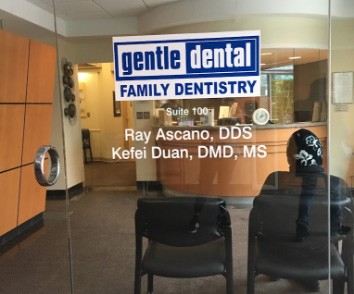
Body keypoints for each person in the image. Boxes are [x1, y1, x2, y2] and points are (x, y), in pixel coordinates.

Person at [255, 128, 352, 291]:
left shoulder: (275, 180)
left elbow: (259, 217)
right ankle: (308, 275)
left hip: (278, 251)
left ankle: (287, 271)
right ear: (319, 155)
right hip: (319, 254)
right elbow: (348, 226)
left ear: (289, 157)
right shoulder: (337, 185)